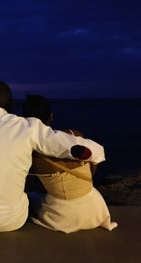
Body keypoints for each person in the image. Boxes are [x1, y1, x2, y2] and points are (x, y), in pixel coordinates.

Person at [0, 81, 105, 232]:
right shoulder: (26, 127)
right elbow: (64, 145)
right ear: (10, 103)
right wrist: (95, 153)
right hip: (13, 221)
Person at [23, 95, 117, 233]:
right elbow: (92, 170)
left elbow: (30, 185)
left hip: (62, 215)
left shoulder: (32, 154)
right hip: (95, 207)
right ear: (51, 116)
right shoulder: (75, 134)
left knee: (31, 198)